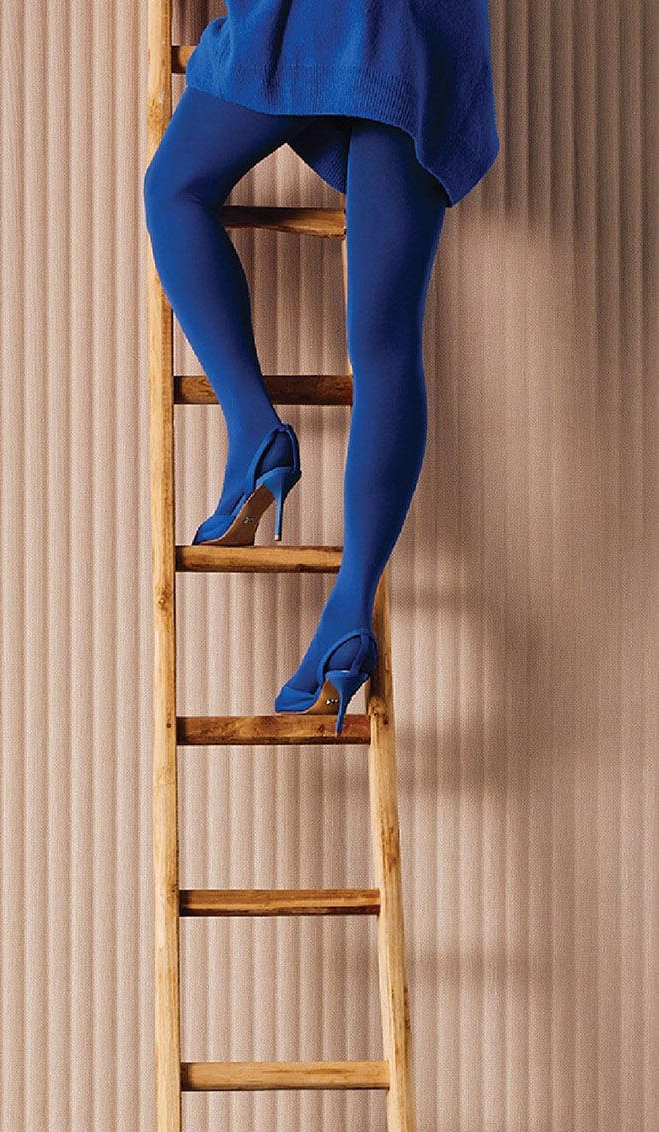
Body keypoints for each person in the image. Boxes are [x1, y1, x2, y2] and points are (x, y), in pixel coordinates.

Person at [143, 0, 499, 728]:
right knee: (387, 345)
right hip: (426, 37)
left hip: (319, 15)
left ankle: (256, 432)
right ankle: (349, 615)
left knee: (174, 190)